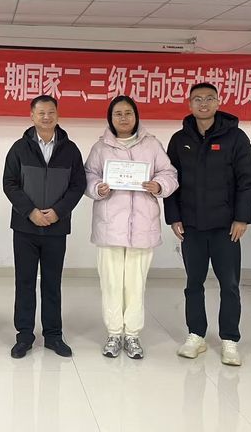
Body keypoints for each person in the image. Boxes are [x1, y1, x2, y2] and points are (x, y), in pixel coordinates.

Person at [164, 83, 251, 366]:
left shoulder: (236, 137)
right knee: (193, 283)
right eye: (197, 99)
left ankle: (230, 339)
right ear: (189, 104)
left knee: (229, 284)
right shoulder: (179, 140)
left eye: (208, 99)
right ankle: (196, 335)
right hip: (191, 226)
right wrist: (174, 217)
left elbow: (248, 180)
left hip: (226, 226)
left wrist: (242, 217)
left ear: (218, 102)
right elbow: (170, 181)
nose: (203, 104)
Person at [84, 95, 178, 359]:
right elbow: (88, 175)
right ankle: (114, 333)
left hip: (142, 226)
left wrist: (159, 185)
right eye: (118, 114)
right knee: (112, 283)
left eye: (128, 113)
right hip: (109, 226)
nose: (123, 118)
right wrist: (97, 188)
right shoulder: (100, 147)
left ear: (136, 116)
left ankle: (133, 335)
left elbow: (169, 173)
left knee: (136, 284)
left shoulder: (152, 144)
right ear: (110, 118)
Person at [2, 95, 86, 359]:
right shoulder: (19, 148)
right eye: (41, 113)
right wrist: (31, 212)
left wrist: (58, 212)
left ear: (58, 114)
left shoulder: (70, 150)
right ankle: (24, 335)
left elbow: (78, 186)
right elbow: (9, 183)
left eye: (51, 112)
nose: (46, 117)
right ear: (32, 116)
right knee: (25, 282)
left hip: (56, 228)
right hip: (25, 228)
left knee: (52, 282)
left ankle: (53, 335)